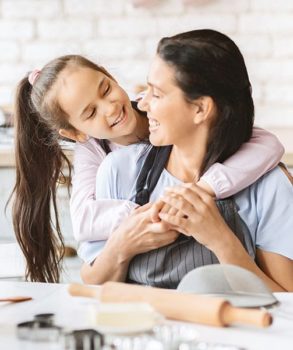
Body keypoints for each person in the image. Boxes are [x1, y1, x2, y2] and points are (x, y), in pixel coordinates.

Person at [12, 54, 283, 283]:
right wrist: (144, 215)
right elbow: (85, 226)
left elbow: (267, 143)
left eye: (105, 89)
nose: (110, 108)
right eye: (91, 113)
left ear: (109, 76)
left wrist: (203, 189)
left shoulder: (156, 104)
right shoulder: (106, 163)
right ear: (75, 133)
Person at [80, 30, 293, 292]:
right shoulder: (118, 170)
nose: (143, 104)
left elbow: (287, 305)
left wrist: (220, 240)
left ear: (200, 109)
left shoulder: (270, 186)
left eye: (156, 94)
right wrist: (123, 244)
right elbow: (93, 288)